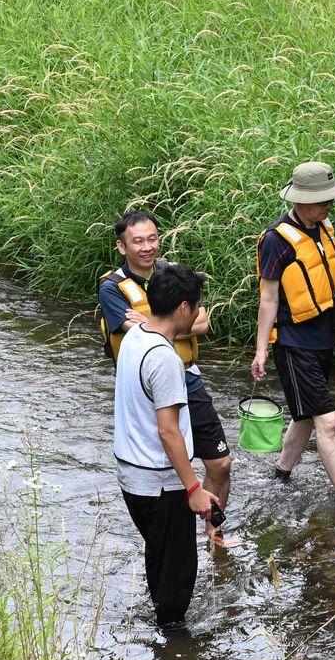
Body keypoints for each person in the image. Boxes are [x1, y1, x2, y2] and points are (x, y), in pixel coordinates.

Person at [99, 210, 237, 546]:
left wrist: (154, 320)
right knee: (166, 453)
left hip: (188, 376)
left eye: (152, 239)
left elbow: (201, 321)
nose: (147, 247)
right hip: (149, 383)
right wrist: (170, 324)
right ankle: (175, 532)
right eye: (137, 241)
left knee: (220, 462)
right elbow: (146, 333)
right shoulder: (111, 287)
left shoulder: (172, 274)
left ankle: (214, 531)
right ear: (121, 246)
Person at [111, 261, 215, 626]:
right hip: (161, 484)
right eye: (198, 305)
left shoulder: (134, 338)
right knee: (178, 572)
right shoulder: (165, 359)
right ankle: (175, 648)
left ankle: (159, 634)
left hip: (132, 477)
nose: (200, 312)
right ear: (184, 308)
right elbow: (168, 431)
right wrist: (194, 488)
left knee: (158, 555)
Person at [249, 162, 335, 490]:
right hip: (293, 342)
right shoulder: (276, 240)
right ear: (302, 201)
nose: (329, 206)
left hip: (323, 335)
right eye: (324, 201)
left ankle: (281, 474)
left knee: (305, 415)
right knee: (328, 420)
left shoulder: (322, 227)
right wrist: (261, 350)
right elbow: (268, 298)